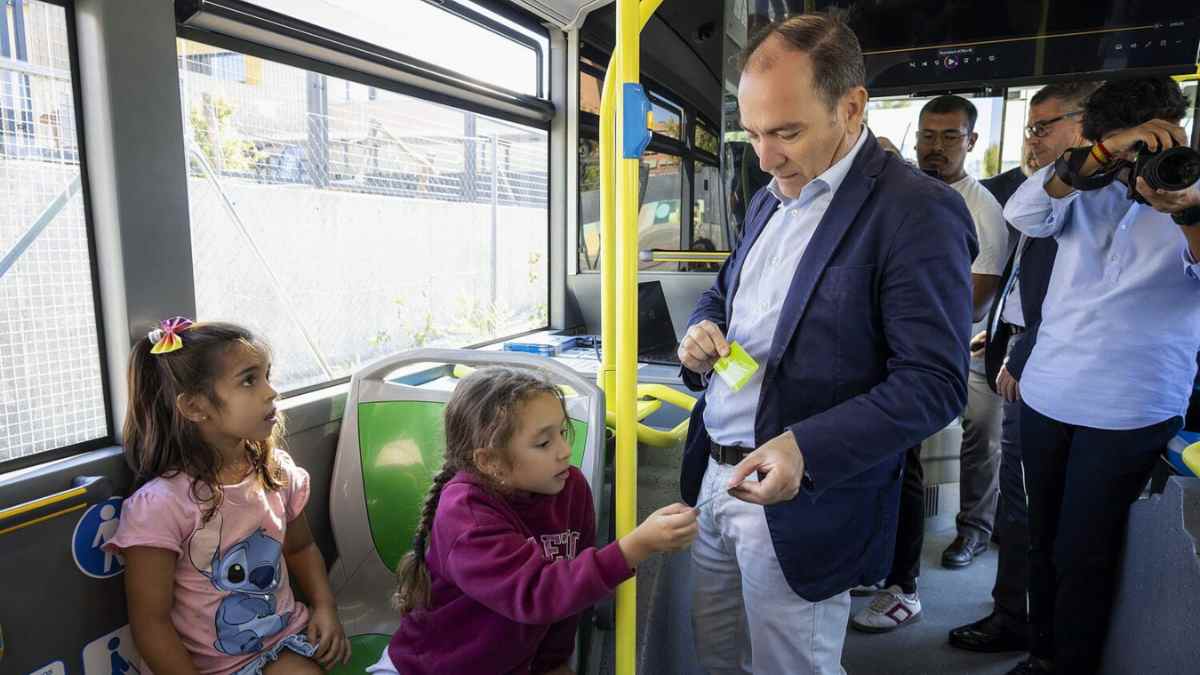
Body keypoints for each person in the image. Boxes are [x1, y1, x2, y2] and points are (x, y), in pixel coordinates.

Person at [677, 13, 976, 674]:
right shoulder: (768, 200)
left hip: (802, 495)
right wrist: (701, 329)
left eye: (786, 132)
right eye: (753, 133)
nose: (765, 158)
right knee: (716, 656)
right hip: (714, 476)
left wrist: (803, 446)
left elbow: (934, 382)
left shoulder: (914, 209)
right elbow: (726, 290)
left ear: (851, 106)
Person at [1003, 76, 1200, 675]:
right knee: (1041, 538)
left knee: (1085, 551)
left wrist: (1187, 209)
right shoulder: (1082, 185)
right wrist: (1102, 156)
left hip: (1130, 407)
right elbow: (1025, 213)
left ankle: (1074, 665)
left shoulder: (1188, 186)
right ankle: (1042, 654)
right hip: (1048, 392)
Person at [371, 367, 698, 675]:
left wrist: (551, 665)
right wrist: (634, 547)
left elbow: (566, 599)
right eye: (544, 443)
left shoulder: (571, 489)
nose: (565, 450)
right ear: (490, 461)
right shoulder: (466, 514)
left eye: (562, 432)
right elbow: (537, 593)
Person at [104, 318, 350, 674]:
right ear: (194, 407)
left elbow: (300, 548)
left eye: (268, 375)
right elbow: (151, 623)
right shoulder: (161, 506)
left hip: (283, 641)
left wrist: (325, 607)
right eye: (250, 380)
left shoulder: (274, 470)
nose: (271, 392)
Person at [951, 82, 1100, 655]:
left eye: (1042, 127)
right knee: (1019, 501)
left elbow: (1076, 298)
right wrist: (1007, 330)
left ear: (1085, 126)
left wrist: (1025, 348)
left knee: (1027, 503)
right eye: (1029, 128)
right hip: (1012, 345)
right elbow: (1031, 278)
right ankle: (1015, 613)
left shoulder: (1096, 201)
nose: (1030, 140)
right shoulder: (1042, 192)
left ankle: (1026, 623)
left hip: (1042, 368)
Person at [852, 94, 1009, 634]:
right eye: (928, 136)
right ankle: (880, 563)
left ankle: (909, 582)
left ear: (971, 142)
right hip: (888, 351)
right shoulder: (900, 193)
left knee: (920, 461)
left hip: (945, 351)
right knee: (880, 461)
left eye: (949, 137)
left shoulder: (980, 209)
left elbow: (970, 303)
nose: (935, 147)